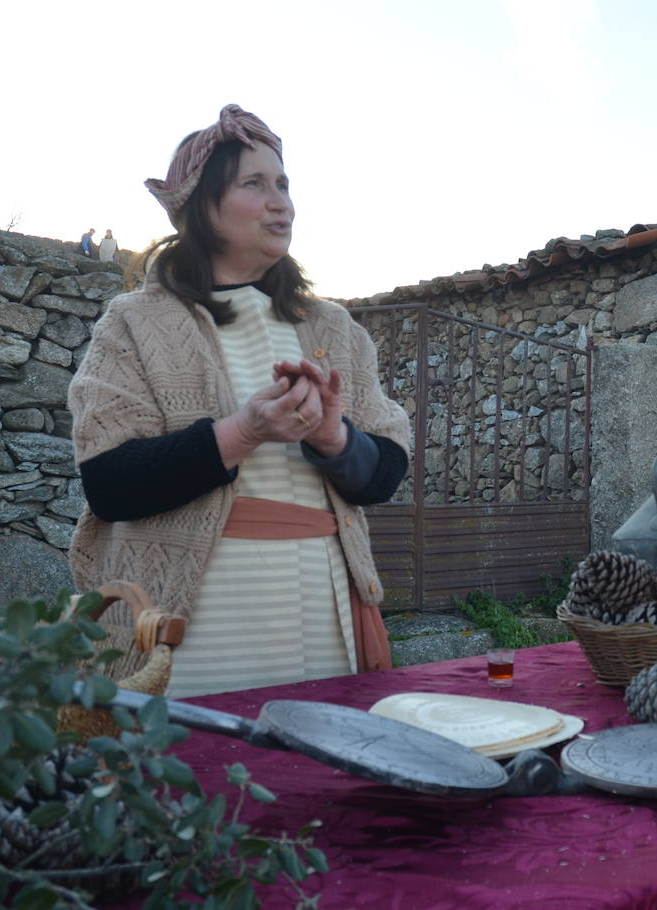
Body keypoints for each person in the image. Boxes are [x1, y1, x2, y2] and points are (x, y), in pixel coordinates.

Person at [67, 105, 409, 698]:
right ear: (202, 206)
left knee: (314, 769)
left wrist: (333, 440)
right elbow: (110, 483)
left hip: (323, 615)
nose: (282, 202)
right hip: (193, 630)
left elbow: (385, 472)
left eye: (284, 184)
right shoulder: (136, 322)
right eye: (255, 184)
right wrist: (244, 431)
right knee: (200, 774)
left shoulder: (334, 328)